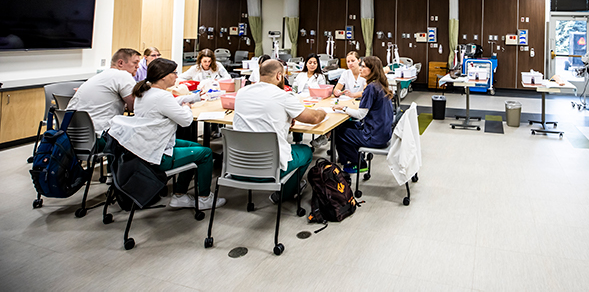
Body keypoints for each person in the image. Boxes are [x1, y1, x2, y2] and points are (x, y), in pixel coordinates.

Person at [122, 58, 225, 210]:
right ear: (163, 76)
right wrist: (187, 108)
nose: (177, 76)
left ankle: (180, 195)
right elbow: (185, 121)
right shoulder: (161, 96)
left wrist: (194, 97)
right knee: (205, 153)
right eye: (174, 73)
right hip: (159, 154)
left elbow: (171, 103)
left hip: (148, 145)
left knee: (195, 146)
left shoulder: (145, 92)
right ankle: (204, 198)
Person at [233, 59, 326, 203]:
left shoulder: (241, 93)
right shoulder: (283, 96)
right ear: (279, 76)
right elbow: (313, 118)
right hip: (269, 168)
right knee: (306, 151)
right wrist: (322, 112)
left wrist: (286, 119)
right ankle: (285, 194)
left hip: (237, 165)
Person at [333, 56, 394, 173]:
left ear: (372, 70)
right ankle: (352, 159)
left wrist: (343, 108)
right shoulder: (379, 85)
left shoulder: (371, 88)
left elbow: (361, 115)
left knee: (338, 133)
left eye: (363, 66)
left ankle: (358, 163)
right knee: (346, 126)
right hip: (383, 133)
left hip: (374, 137)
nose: (360, 69)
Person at [67, 48, 140, 137]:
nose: (138, 67)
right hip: (98, 136)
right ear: (120, 63)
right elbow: (135, 107)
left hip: (72, 136)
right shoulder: (123, 75)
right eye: (135, 63)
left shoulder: (99, 76)